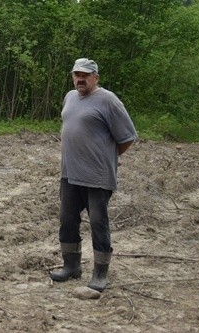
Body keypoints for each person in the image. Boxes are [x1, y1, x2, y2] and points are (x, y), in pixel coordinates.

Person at [49, 58, 137, 292]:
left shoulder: (108, 100)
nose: (80, 79)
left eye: (85, 75)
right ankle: (72, 267)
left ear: (95, 78)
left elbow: (127, 137)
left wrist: (108, 156)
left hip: (97, 176)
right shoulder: (70, 97)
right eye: (76, 74)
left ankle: (100, 273)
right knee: (67, 220)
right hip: (69, 173)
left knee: (98, 222)